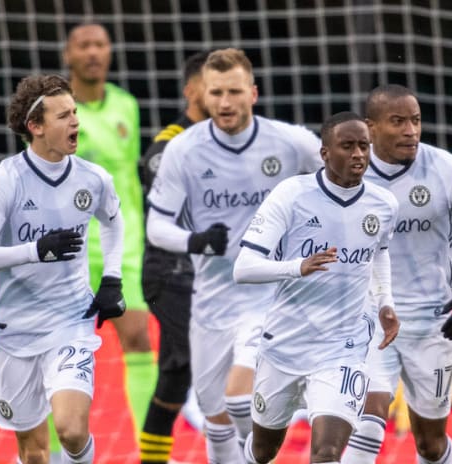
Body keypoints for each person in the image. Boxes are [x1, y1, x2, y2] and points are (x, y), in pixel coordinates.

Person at [145, 48, 322, 463]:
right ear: (204, 96)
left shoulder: (290, 142)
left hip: (269, 298)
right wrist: (198, 241)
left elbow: (343, 182)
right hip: (210, 301)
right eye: (216, 93)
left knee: (241, 401)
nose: (225, 103)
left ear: (253, 93)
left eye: (234, 92)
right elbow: (157, 226)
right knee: (216, 418)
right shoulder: (183, 150)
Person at [342, 84, 452, 464]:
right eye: (398, 121)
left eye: (416, 121)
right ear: (370, 128)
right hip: (367, 322)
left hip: (431, 325)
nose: (410, 131)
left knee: (431, 445)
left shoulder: (446, 170)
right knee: (367, 423)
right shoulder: (344, 177)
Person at [0, 74, 126, 464]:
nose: (76, 123)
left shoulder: (93, 178)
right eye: (63, 116)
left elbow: (114, 221)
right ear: (35, 127)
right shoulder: (7, 180)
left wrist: (113, 278)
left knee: (71, 430)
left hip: (70, 321)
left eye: (75, 113)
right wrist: (33, 251)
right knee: (34, 453)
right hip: (14, 332)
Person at [233, 111, 401, 464]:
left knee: (326, 453)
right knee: (263, 452)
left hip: (343, 347)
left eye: (364, 146)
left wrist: (385, 300)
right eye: (347, 146)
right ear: (325, 153)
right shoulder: (292, 195)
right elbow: (244, 268)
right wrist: (298, 267)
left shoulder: (383, 204)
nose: (358, 154)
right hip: (285, 344)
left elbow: (379, 252)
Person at [64, 23, 157, 436]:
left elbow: (131, 178)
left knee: (138, 338)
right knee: (60, 352)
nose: (93, 53)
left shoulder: (127, 105)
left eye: (100, 45)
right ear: (69, 54)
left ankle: (153, 448)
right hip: (72, 248)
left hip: (126, 244)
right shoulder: (55, 108)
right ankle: (49, 452)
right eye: (84, 46)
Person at [136, 50, 210, 464]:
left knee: (175, 377)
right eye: (211, 87)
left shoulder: (236, 145)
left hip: (212, 275)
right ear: (191, 90)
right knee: (205, 365)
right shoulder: (169, 144)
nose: (221, 97)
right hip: (171, 272)